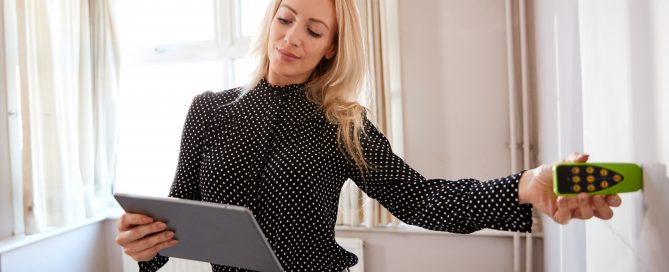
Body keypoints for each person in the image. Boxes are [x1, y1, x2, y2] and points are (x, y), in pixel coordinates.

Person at [115, 0, 622, 271]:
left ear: (332, 49)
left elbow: (421, 199)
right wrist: (145, 247)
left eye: (314, 31)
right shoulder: (208, 109)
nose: (291, 38)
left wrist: (524, 183)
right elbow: (178, 221)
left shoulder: (342, 123)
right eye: (286, 18)